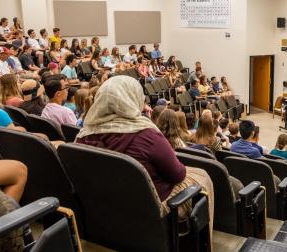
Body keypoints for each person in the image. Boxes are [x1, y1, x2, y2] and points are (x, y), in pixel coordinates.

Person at [75, 76, 214, 235]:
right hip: (149, 207)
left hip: (106, 205)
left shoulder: (83, 135)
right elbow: (177, 174)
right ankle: (203, 242)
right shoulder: (147, 134)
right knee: (203, 176)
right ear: (132, 99)